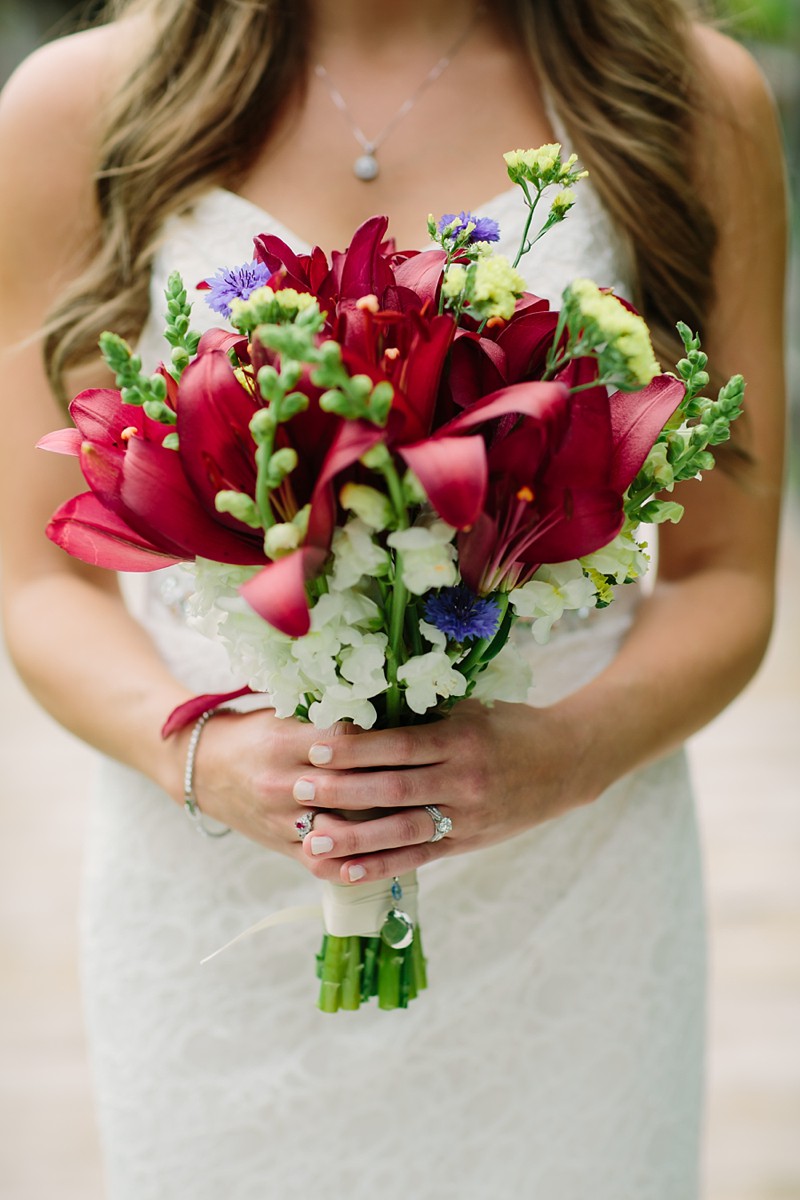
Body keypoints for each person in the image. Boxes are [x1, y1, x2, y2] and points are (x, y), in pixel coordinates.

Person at [0, 0, 787, 1196]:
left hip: (571, 895)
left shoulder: (680, 96)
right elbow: (36, 575)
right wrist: (205, 757)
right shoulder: (78, 105)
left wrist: (561, 758)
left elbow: (725, 575)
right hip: (216, 886)